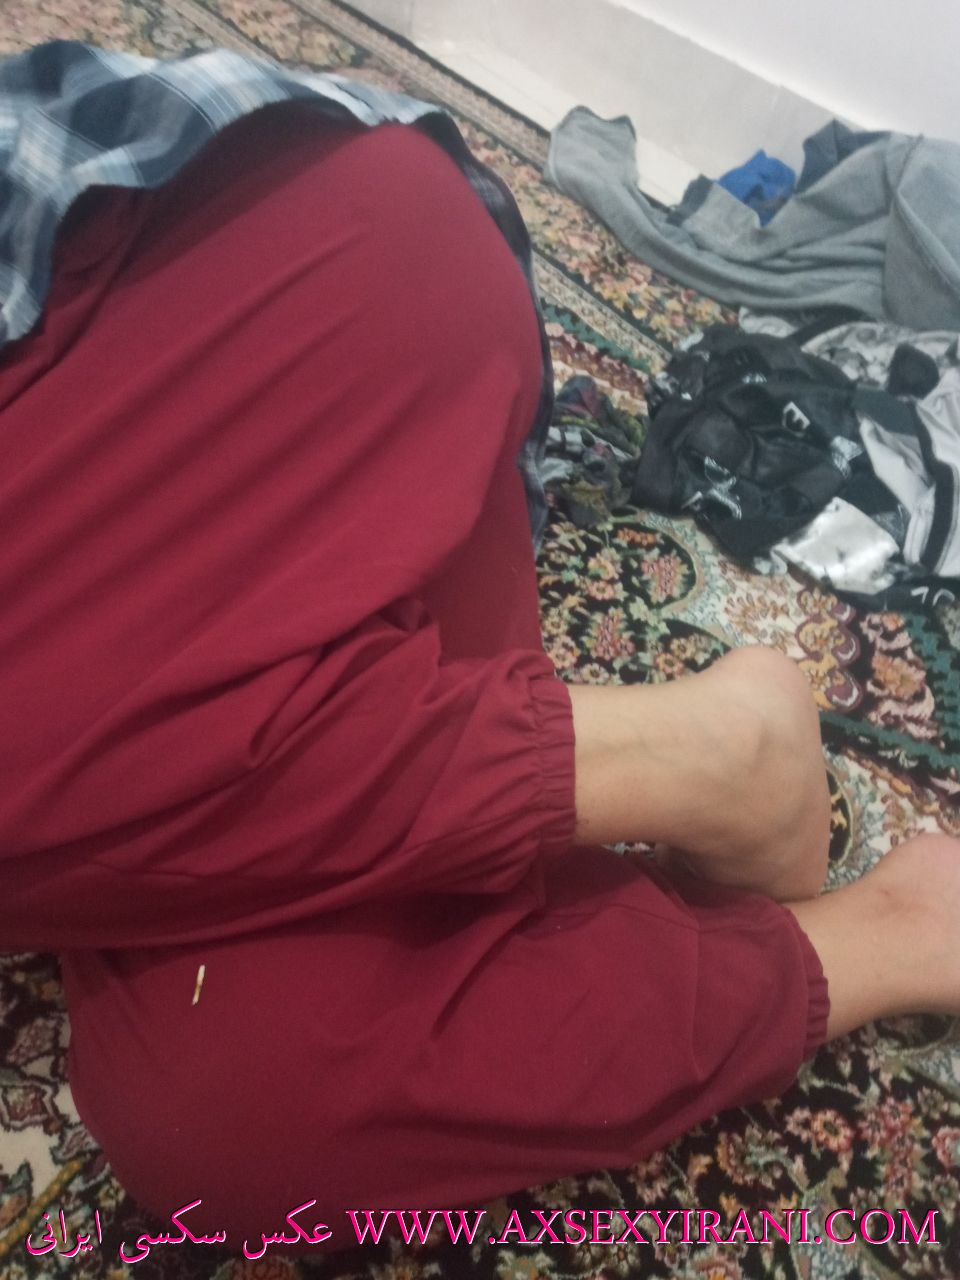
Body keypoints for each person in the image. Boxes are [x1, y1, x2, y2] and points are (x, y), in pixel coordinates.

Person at [1, 40, 957, 1255]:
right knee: (226, 1112)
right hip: (315, 437)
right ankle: (826, 893)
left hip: (285, 269)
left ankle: (631, 759)